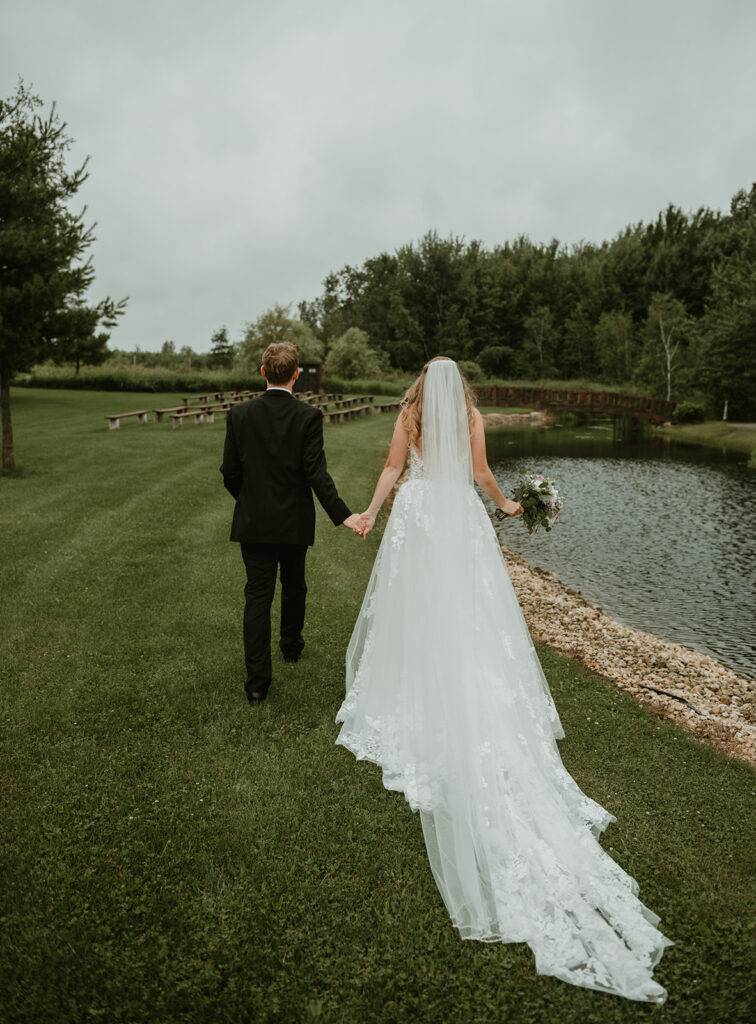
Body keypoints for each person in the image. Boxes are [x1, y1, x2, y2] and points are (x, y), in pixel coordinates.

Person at [335, 356, 673, 1003]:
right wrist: (508, 504)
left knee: (413, 610)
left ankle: (410, 686)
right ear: (458, 388)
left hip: (417, 515)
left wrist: (374, 513)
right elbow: (482, 473)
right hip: (456, 515)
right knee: (465, 609)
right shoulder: (472, 415)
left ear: (420, 389)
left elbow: (390, 470)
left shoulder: (408, 415)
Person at [221, 342, 364, 704]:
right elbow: (316, 473)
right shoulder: (308, 417)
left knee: (257, 597)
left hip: (254, 521)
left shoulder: (239, 414)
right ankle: (291, 646)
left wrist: (249, 500)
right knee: (294, 584)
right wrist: (344, 515)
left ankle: (256, 686)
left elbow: (230, 472)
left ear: (263, 371)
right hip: (294, 520)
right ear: (296, 374)